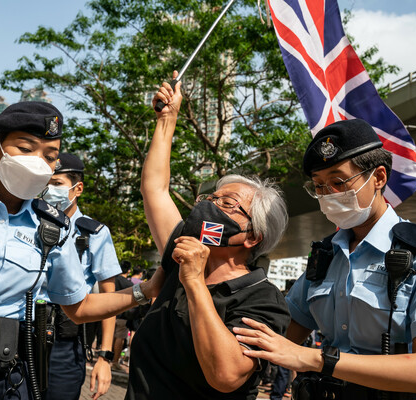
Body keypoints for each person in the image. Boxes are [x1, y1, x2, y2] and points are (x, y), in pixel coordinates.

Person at [0, 102, 163, 399]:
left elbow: (79, 307)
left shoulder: (54, 228)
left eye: (50, 156)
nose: (38, 162)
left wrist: (145, 290)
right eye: (25, 148)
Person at [233, 119, 416, 399]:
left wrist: (315, 359)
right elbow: (278, 334)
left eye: (338, 182)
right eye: (319, 186)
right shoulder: (324, 256)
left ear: (379, 178)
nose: (328, 195)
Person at [125, 72, 291, 399]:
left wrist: (195, 282)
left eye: (226, 204)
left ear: (252, 236)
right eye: (209, 199)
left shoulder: (262, 300)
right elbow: (155, 189)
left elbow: (226, 375)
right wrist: (167, 119)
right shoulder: (182, 253)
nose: (210, 207)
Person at [39, 152, 121, 400]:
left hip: (65, 345)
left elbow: (110, 299)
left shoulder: (94, 233)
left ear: (78, 188)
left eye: (56, 184)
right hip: (21, 335)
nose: (49, 190)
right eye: (45, 184)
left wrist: (104, 358)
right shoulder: (30, 220)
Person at [111, 261, 134, 371]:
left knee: (110, 336)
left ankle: (106, 358)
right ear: (128, 270)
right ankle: (115, 362)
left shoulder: (112, 280)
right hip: (122, 315)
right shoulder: (129, 284)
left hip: (109, 312)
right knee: (120, 338)